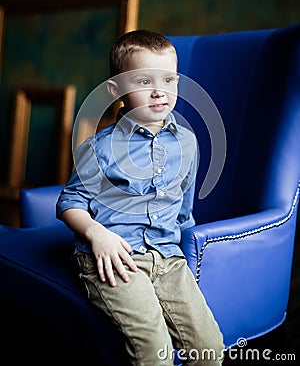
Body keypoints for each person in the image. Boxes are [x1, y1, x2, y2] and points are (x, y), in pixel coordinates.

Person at [56, 29, 224, 366]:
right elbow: (69, 203)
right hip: (115, 257)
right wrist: (96, 235)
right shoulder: (100, 148)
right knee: (153, 346)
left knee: (210, 349)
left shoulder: (187, 142)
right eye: (144, 81)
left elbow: (184, 208)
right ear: (116, 91)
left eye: (169, 80)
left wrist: (185, 260)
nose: (160, 92)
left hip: (168, 258)